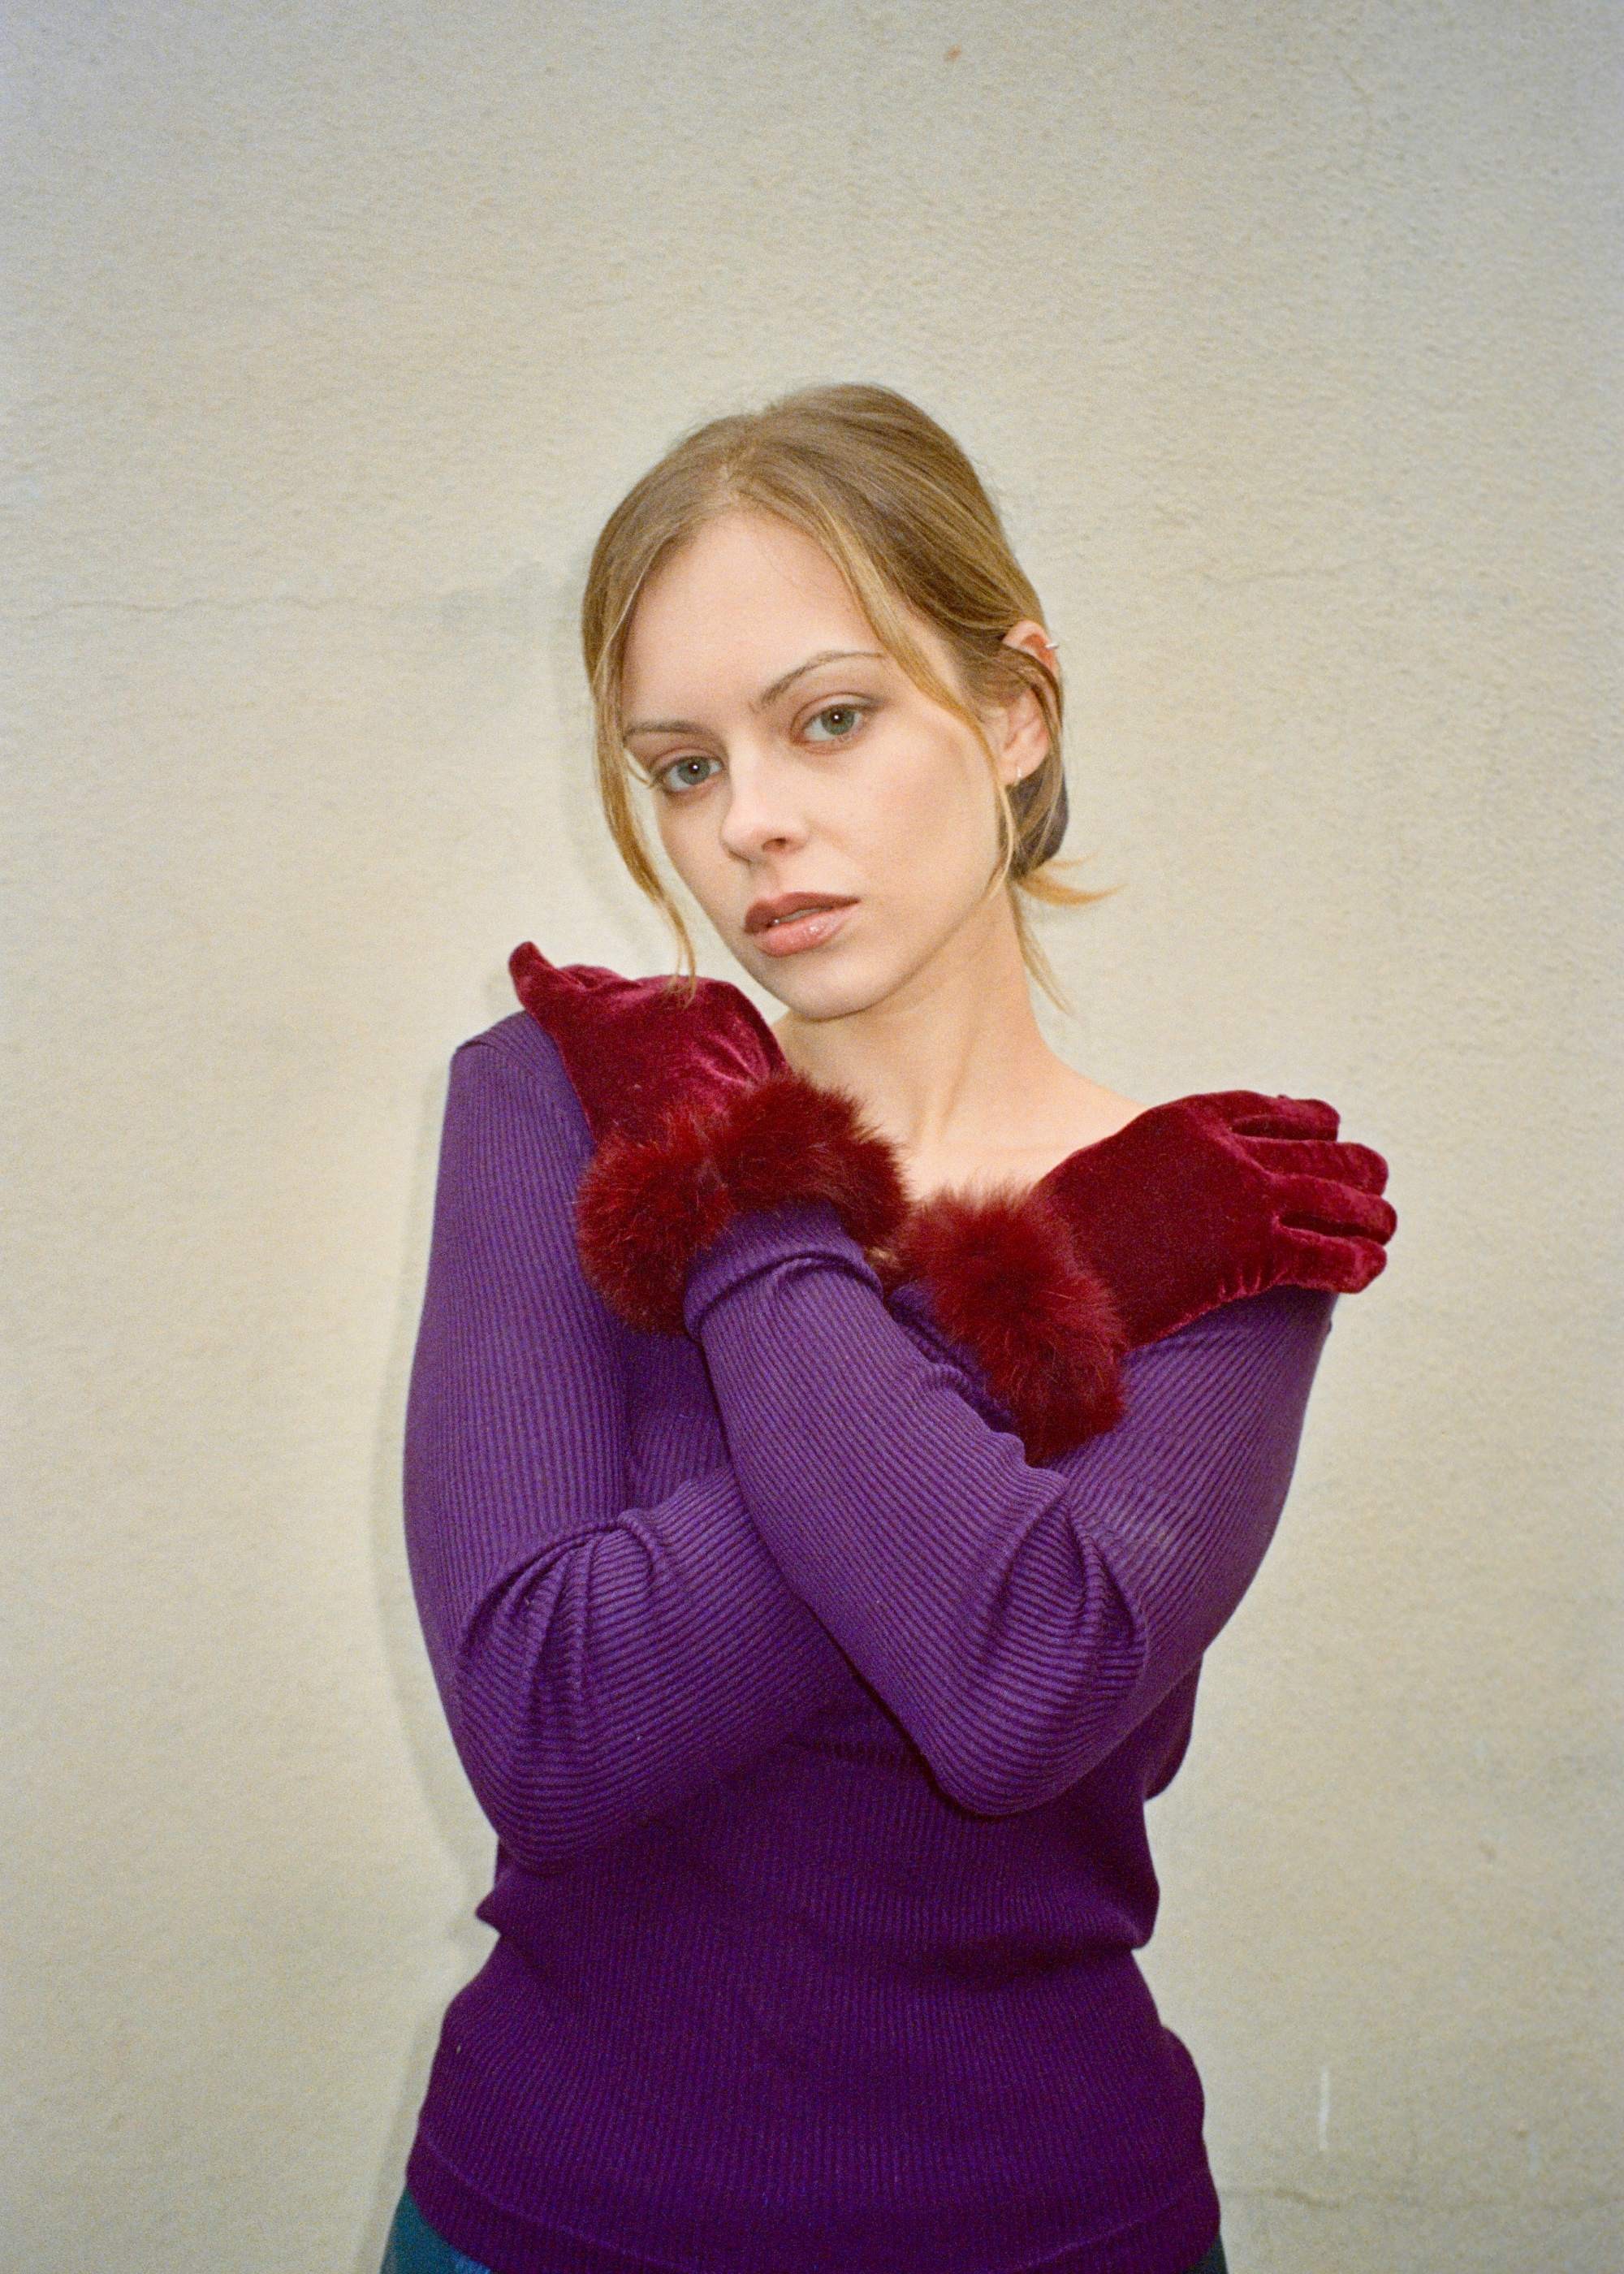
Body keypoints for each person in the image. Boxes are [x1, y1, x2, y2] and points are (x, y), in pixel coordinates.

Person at [382, 383, 1395, 2274]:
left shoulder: (1234, 1204)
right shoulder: (558, 1106)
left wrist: (752, 1207)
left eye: (828, 718)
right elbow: (548, 1722)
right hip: (542, 2218)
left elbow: (1015, 1679)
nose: (750, 822)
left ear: (1013, 709)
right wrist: (1026, 1271)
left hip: (1039, 2222)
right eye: (679, 765)